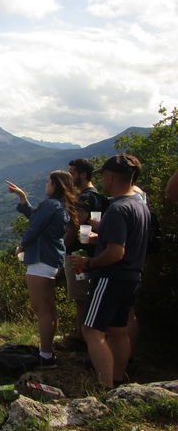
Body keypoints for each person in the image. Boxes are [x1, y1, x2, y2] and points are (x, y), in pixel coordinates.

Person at [68, 154, 149, 389]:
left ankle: (104, 386)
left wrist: (88, 262)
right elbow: (127, 242)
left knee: (91, 330)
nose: (102, 178)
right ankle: (117, 378)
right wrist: (99, 238)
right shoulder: (139, 204)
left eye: (104, 174)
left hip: (110, 277)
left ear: (111, 177)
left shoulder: (118, 208)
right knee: (118, 331)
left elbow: (116, 253)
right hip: (131, 277)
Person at [6, 171, 78, 366]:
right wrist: (23, 198)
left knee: (42, 310)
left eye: (48, 181)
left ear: (56, 185)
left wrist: (22, 246)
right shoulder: (61, 205)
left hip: (41, 259)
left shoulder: (51, 204)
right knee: (48, 309)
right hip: (52, 259)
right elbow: (36, 218)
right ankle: (47, 352)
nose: (46, 184)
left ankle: (45, 356)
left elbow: (33, 229)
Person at [64, 159, 108, 346]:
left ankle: (80, 336)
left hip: (79, 259)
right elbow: (93, 226)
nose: (70, 176)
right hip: (93, 254)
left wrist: (63, 246)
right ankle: (82, 332)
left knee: (80, 295)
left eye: (72, 173)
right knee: (85, 294)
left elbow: (78, 228)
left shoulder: (84, 199)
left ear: (83, 174)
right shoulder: (98, 198)